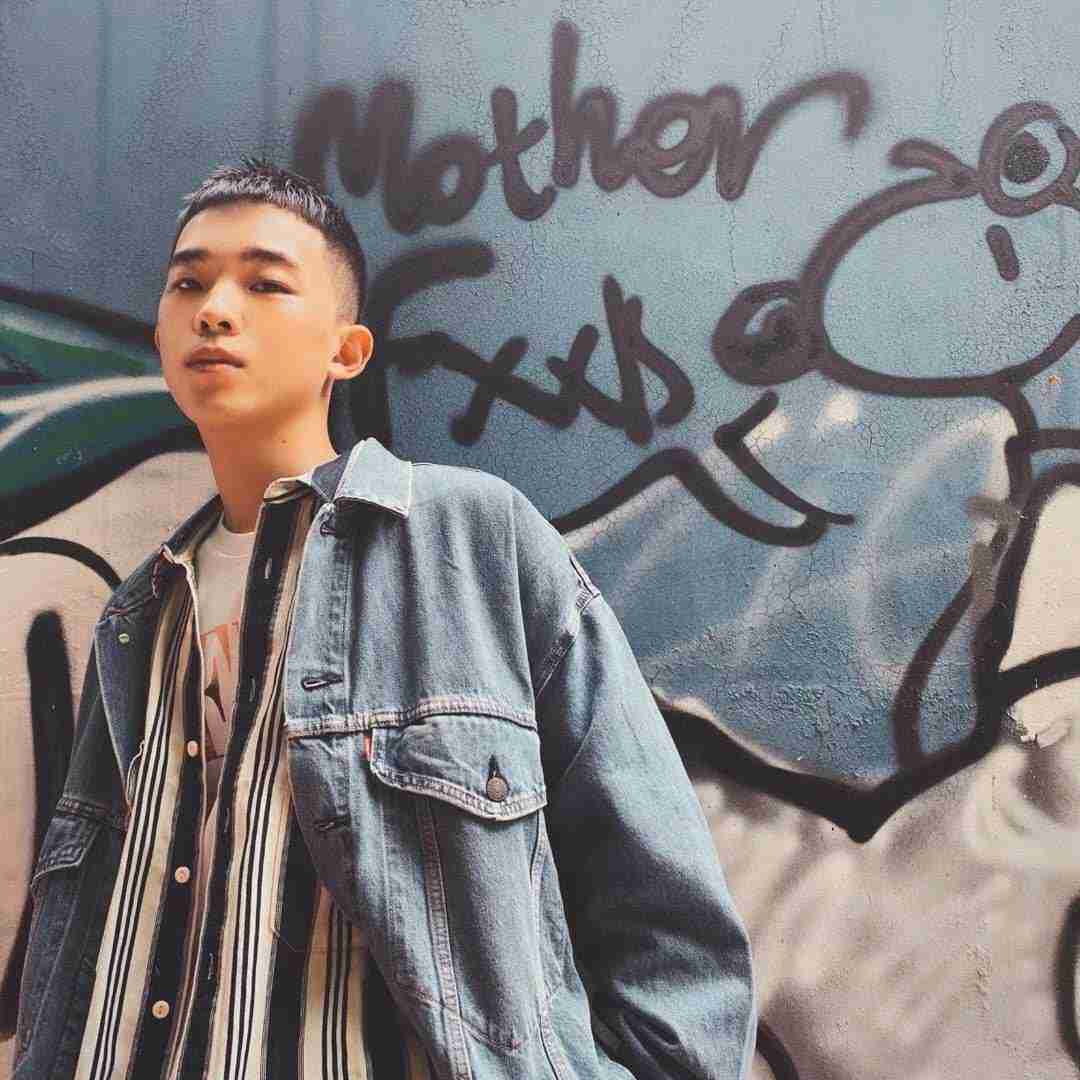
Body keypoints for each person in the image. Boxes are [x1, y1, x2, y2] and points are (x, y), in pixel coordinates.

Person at [11, 158, 755, 1079]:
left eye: (264, 283)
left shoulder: (474, 542)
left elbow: (669, 929)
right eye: (189, 284)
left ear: (347, 350)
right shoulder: (138, 616)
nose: (214, 310)